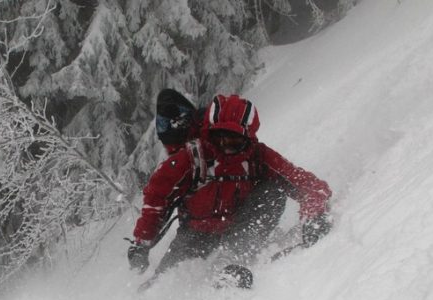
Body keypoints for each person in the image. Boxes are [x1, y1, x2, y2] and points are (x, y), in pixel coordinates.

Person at [128, 93, 332, 285]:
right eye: (220, 138)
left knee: (272, 192)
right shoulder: (192, 159)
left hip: (239, 228)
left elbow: (307, 185)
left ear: (249, 138)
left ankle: (231, 262)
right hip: (196, 234)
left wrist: (314, 215)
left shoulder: (258, 157)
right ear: (209, 133)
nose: (226, 146)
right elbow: (156, 199)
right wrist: (141, 243)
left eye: (234, 140)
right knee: (164, 282)